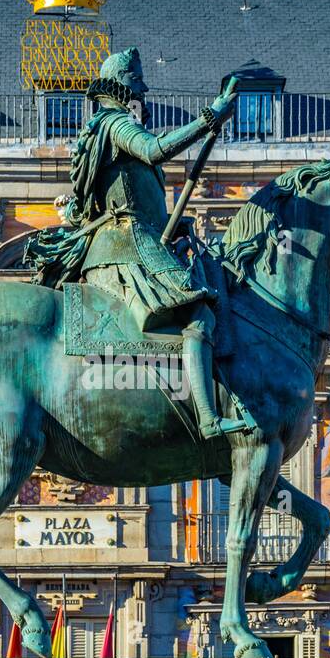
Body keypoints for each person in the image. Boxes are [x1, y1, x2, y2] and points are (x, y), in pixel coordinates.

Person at [30, 47, 251, 439]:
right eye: (136, 89)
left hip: (130, 237)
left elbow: (132, 197)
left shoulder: (104, 130)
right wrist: (210, 116)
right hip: (125, 246)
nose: (141, 98)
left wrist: (171, 222)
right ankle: (208, 417)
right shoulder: (114, 124)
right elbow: (154, 149)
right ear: (120, 88)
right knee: (199, 316)